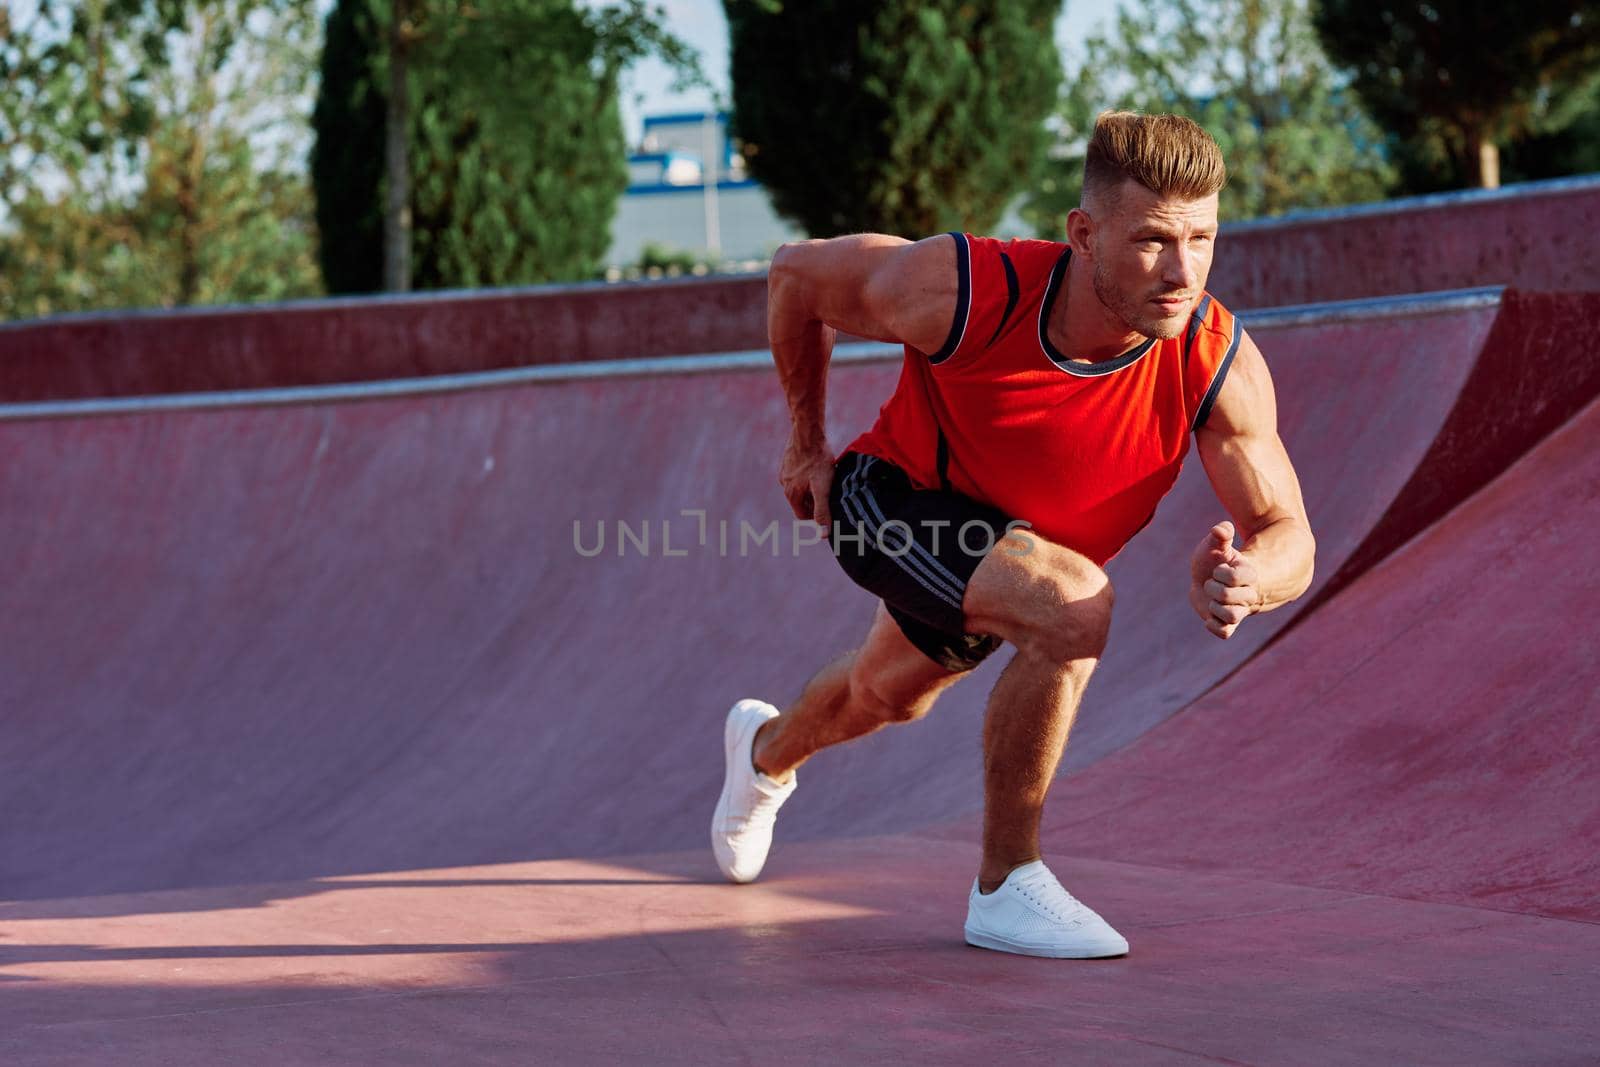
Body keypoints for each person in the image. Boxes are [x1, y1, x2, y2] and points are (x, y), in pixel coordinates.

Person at [710, 111, 1316, 959]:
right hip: (892, 497)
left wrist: (1253, 578)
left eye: (1204, 238)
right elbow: (794, 276)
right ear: (1084, 233)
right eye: (1152, 241)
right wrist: (806, 441)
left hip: (1008, 555)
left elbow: (1288, 530)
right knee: (1075, 606)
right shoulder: (966, 289)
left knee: (887, 695)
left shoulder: (1213, 359)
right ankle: (1007, 883)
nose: (1183, 271)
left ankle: (764, 753)